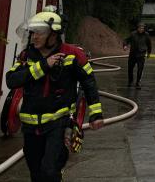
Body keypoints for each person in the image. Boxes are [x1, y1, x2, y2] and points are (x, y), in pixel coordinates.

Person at [6, 10, 104, 182]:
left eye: (39, 33)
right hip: (30, 126)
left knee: (50, 170)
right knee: (36, 173)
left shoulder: (72, 55)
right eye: (33, 33)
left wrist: (96, 114)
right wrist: (44, 66)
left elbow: (89, 82)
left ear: (53, 35)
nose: (34, 37)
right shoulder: (27, 56)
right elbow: (12, 80)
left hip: (58, 124)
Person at [124, 22, 152, 88]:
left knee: (140, 69)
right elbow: (126, 40)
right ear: (137, 28)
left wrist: (149, 53)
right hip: (133, 54)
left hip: (141, 55)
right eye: (140, 28)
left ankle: (138, 82)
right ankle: (130, 81)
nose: (141, 29)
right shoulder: (133, 34)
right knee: (130, 68)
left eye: (142, 28)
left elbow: (149, 45)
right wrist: (125, 45)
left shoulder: (146, 35)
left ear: (144, 29)